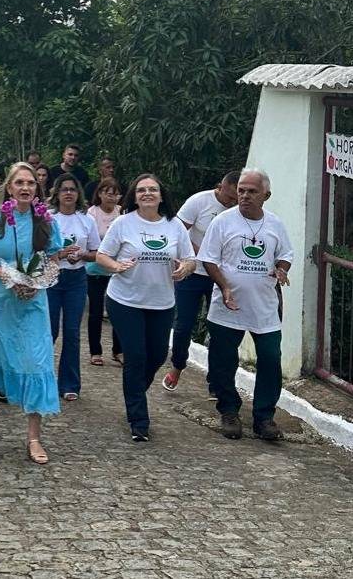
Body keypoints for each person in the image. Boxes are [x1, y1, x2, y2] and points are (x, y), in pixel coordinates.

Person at [0, 162, 63, 464]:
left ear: (37, 188)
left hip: (33, 303)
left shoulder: (46, 221)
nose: (25, 188)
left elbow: (54, 259)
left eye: (31, 183)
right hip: (1, 302)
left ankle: (34, 437)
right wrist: (6, 275)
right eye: (19, 182)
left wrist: (39, 281)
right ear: (8, 187)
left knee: (37, 362)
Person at [96, 174, 195, 442]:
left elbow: (190, 259)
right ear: (134, 196)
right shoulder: (123, 223)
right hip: (125, 300)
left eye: (153, 189)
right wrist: (116, 266)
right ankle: (139, 420)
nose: (147, 193)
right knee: (136, 356)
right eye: (141, 190)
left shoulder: (174, 226)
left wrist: (185, 268)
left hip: (162, 302)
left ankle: (134, 391)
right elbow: (101, 255)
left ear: (162, 195)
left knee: (157, 356)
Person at [199, 169, 293, 441]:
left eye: (252, 191)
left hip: (264, 307)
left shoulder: (275, 224)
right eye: (241, 190)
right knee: (222, 361)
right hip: (228, 306)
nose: (244, 196)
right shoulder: (223, 222)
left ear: (266, 195)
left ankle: (264, 418)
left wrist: (281, 269)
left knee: (270, 359)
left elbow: (285, 254)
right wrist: (225, 286)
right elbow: (208, 259)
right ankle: (229, 411)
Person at [163, 171, 239, 392]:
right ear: (221, 187)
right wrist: (201, 253)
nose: (232, 203)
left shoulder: (240, 212)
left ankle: (216, 381)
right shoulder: (199, 201)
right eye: (229, 198)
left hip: (221, 276)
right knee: (184, 325)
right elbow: (178, 231)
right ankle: (177, 365)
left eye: (236, 199)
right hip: (193, 272)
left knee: (219, 329)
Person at [47, 174, 100, 401]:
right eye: (64, 189)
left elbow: (97, 252)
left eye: (72, 189)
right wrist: (57, 254)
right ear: (57, 194)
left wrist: (81, 255)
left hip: (76, 278)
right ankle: (43, 379)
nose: (68, 193)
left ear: (78, 194)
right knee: (48, 330)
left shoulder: (86, 220)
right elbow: (36, 250)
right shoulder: (48, 218)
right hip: (51, 278)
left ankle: (69, 383)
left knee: (72, 331)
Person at [85, 177, 123, 367]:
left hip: (118, 270)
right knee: (96, 311)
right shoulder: (91, 214)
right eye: (108, 192)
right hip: (95, 270)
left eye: (115, 193)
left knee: (118, 311)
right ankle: (95, 351)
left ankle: (119, 350)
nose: (111, 197)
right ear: (99, 193)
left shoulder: (122, 213)